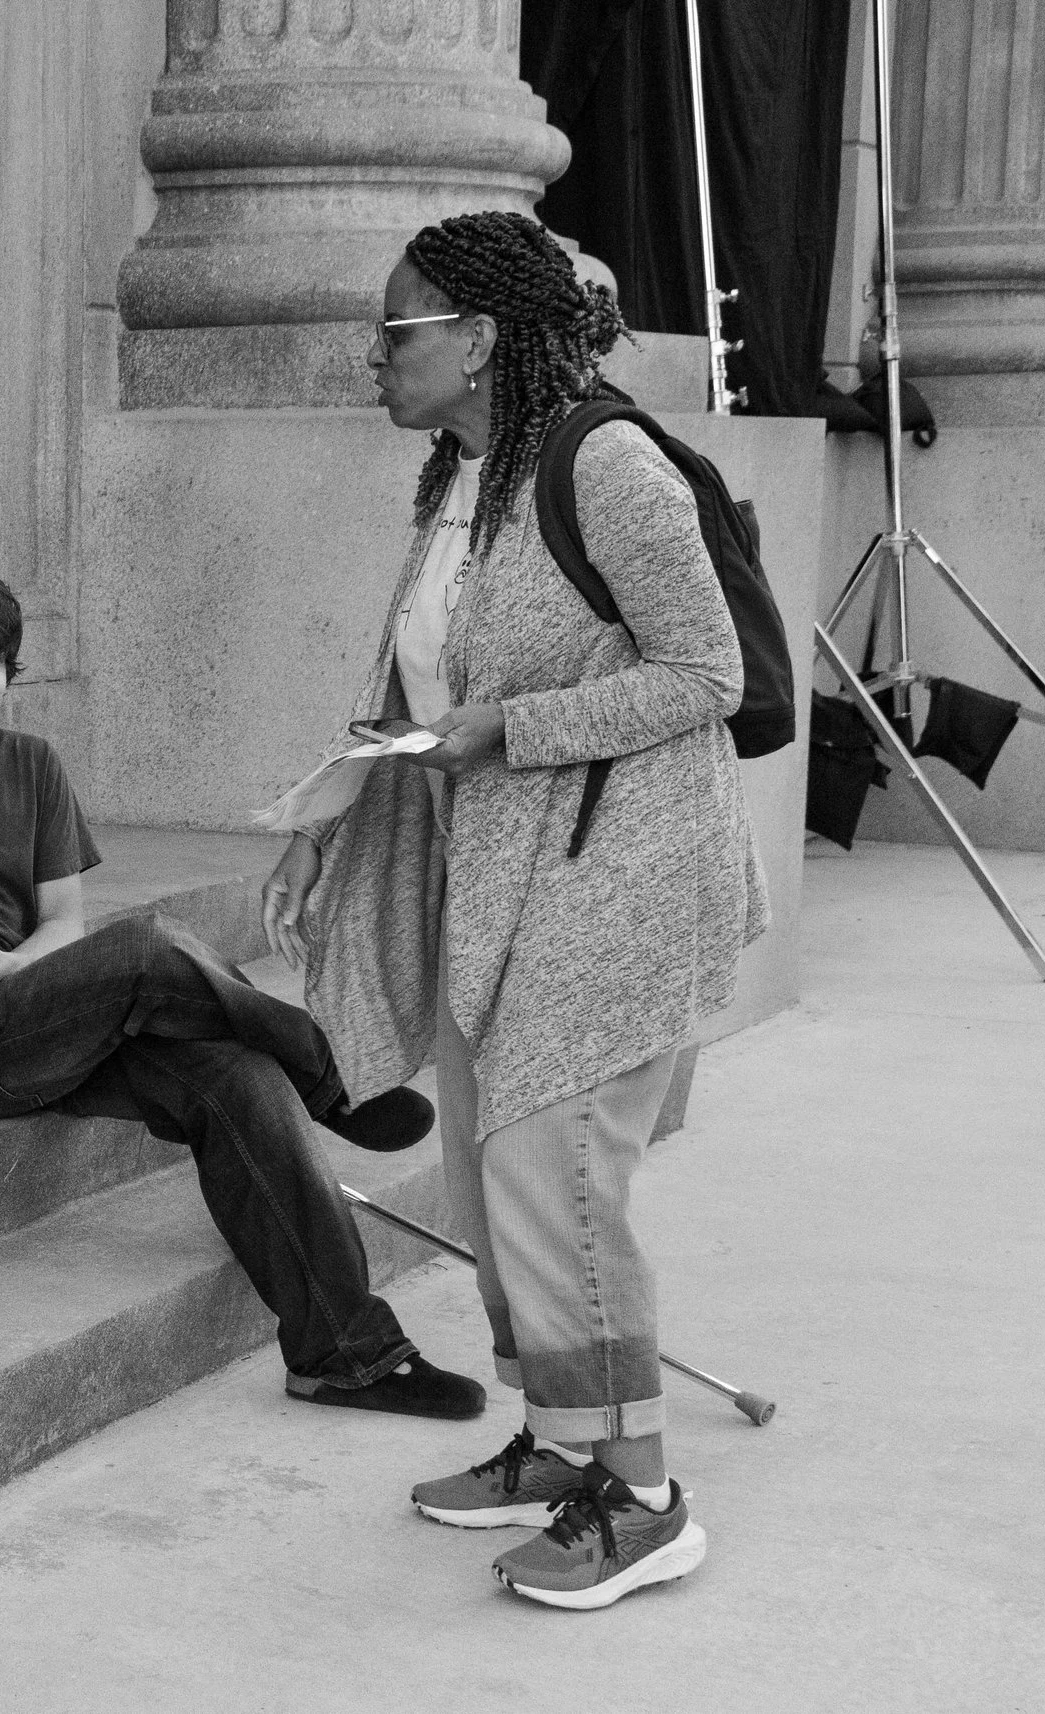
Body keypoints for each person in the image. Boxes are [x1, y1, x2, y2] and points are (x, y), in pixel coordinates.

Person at [263, 212, 767, 1608]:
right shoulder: (459, 476)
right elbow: (414, 680)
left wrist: (514, 728)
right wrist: (324, 826)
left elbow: (707, 673)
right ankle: (560, 1440)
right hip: (500, 878)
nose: (373, 355)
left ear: (479, 337)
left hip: (617, 874)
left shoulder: (602, 463)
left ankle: (644, 1496)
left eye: (395, 329)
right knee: (492, 1181)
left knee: (561, 1186)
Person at [0, 559, 482, 1421]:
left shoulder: (31, 763)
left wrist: (6, 967)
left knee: (238, 1076)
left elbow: (62, 924)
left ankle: (347, 1355)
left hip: (41, 1013)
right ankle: (329, 1072)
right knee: (149, 946)